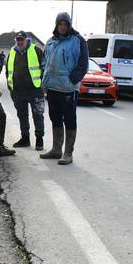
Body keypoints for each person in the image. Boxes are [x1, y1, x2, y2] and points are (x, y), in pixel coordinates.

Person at [40, 12, 88, 165]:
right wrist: (44, 82)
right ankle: (56, 149)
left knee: (69, 119)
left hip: (68, 89)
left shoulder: (78, 40)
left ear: (69, 25)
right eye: (60, 24)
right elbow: (45, 63)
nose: (62, 27)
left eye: (65, 24)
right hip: (52, 87)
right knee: (55, 118)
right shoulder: (50, 41)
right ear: (56, 25)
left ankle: (68, 153)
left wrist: (72, 80)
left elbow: (83, 64)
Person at [6, 31, 45, 150]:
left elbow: (44, 67)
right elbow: (8, 70)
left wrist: (43, 85)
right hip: (18, 91)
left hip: (35, 89)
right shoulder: (12, 52)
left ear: (26, 40)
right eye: (17, 40)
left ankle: (39, 139)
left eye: (21, 39)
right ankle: (25, 138)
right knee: (22, 116)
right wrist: (10, 87)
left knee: (38, 115)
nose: (19, 42)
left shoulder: (36, 50)